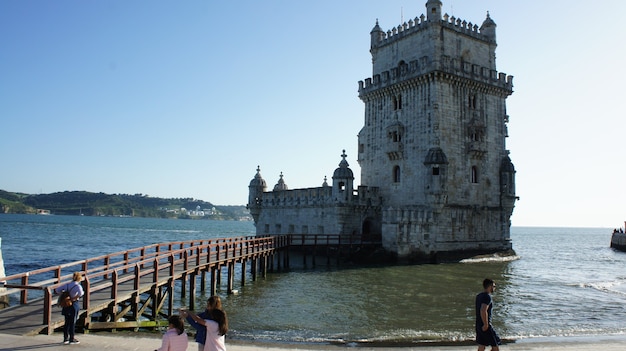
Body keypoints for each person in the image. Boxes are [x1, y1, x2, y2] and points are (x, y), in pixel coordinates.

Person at [54, 272, 84, 345]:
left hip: (66, 304)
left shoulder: (67, 285)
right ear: (79, 278)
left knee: (67, 322)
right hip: (74, 304)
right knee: (72, 322)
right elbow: (81, 294)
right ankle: (72, 338)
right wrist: (73, 298)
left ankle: (65, 338)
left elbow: (57, 290)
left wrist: (64, 294)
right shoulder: (78, 286)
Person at [475, 278, 501, 351]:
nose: (494, 288)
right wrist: (486, 324)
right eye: (494, 286)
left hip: (478, 324)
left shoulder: (479, 296)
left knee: (482, 346)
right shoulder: (487, 297)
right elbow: (483, 310)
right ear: (490, 286)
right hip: (485, 325)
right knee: (495, 347)